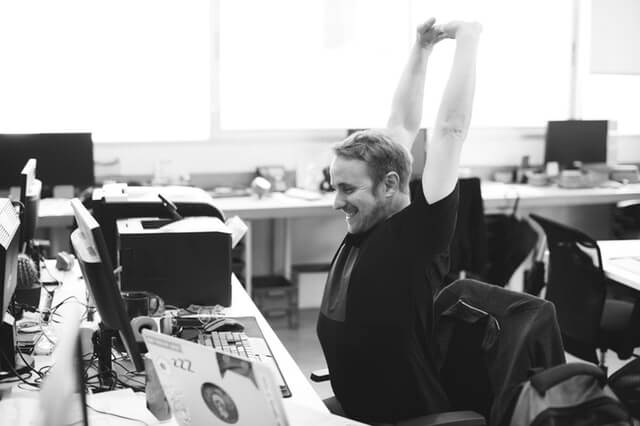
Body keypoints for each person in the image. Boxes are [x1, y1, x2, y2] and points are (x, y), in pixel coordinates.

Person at [316, 18, 482, 424]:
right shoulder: (367, 227)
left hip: (402, 418)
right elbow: (402, 124)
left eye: (348, 190)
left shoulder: (416, 234)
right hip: (357, 409)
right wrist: (421, 49)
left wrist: (467, 38)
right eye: (335, 187)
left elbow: (450, 131)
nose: (337, 203)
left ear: (389, 184)